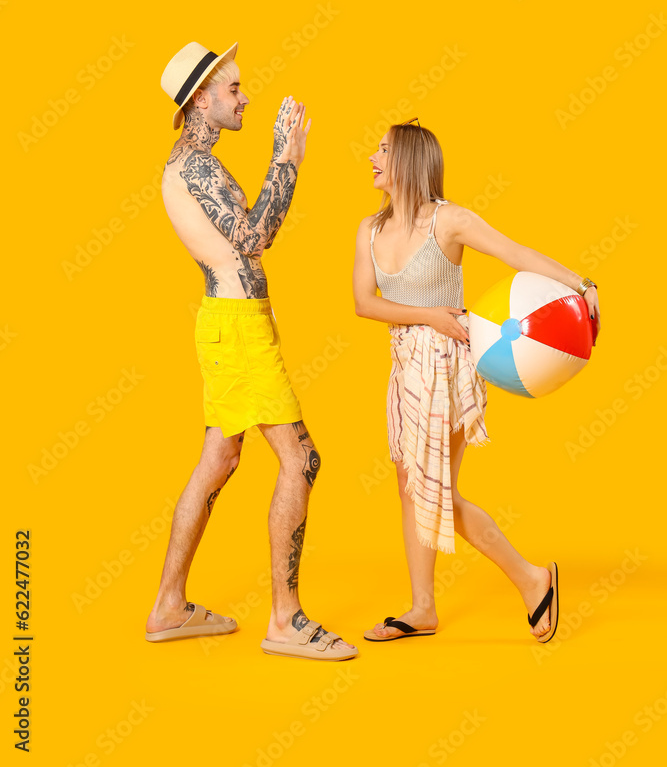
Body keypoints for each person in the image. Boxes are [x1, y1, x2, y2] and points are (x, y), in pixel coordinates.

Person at [145, 40, 357, 661]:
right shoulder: (196, 168)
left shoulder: (193, 164)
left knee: (219, 460)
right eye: (234, 88)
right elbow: (255, 237)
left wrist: (279, 163)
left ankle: (168, 605)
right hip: (237, 328)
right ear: (200, 99)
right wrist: (286, 158)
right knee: (302, 461)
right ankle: (286, 621)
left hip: (232, 323)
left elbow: (246, 237)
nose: (244, 97)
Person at [352, 120, 601, 644]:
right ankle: (423, 608)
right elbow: (364, 303)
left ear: (409, 162)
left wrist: (581, 285)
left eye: (382, 149)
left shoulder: (450, 221)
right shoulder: (368, 230)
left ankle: (532, 579)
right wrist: (427, 316)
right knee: (411, 486)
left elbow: (517, 255)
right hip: (405, 363)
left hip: (449, 363)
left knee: (431, 488)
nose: (371, 156)